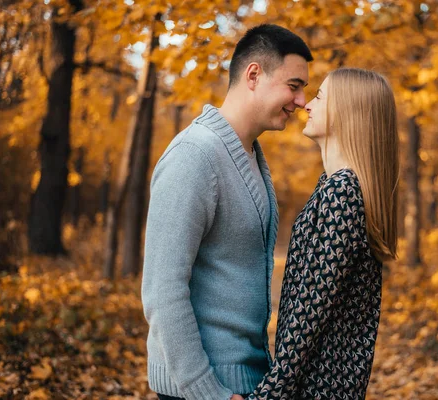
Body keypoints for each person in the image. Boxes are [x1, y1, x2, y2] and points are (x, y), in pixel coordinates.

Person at [141, 24, 313, 400]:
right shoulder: (195, 155)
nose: (301, 101)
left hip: (245, 380)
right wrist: (208, 392)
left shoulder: (249, 154)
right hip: (203, 389)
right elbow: (162, 290)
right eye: (294, 85)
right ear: (254, 74)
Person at [246, 68, 399, 400]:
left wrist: (267, 395)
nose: (307, 105)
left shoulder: (342, 193)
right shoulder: (336, 187)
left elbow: (308, 315)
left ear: (346, 112)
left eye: (319, 97)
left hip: (320, 388)